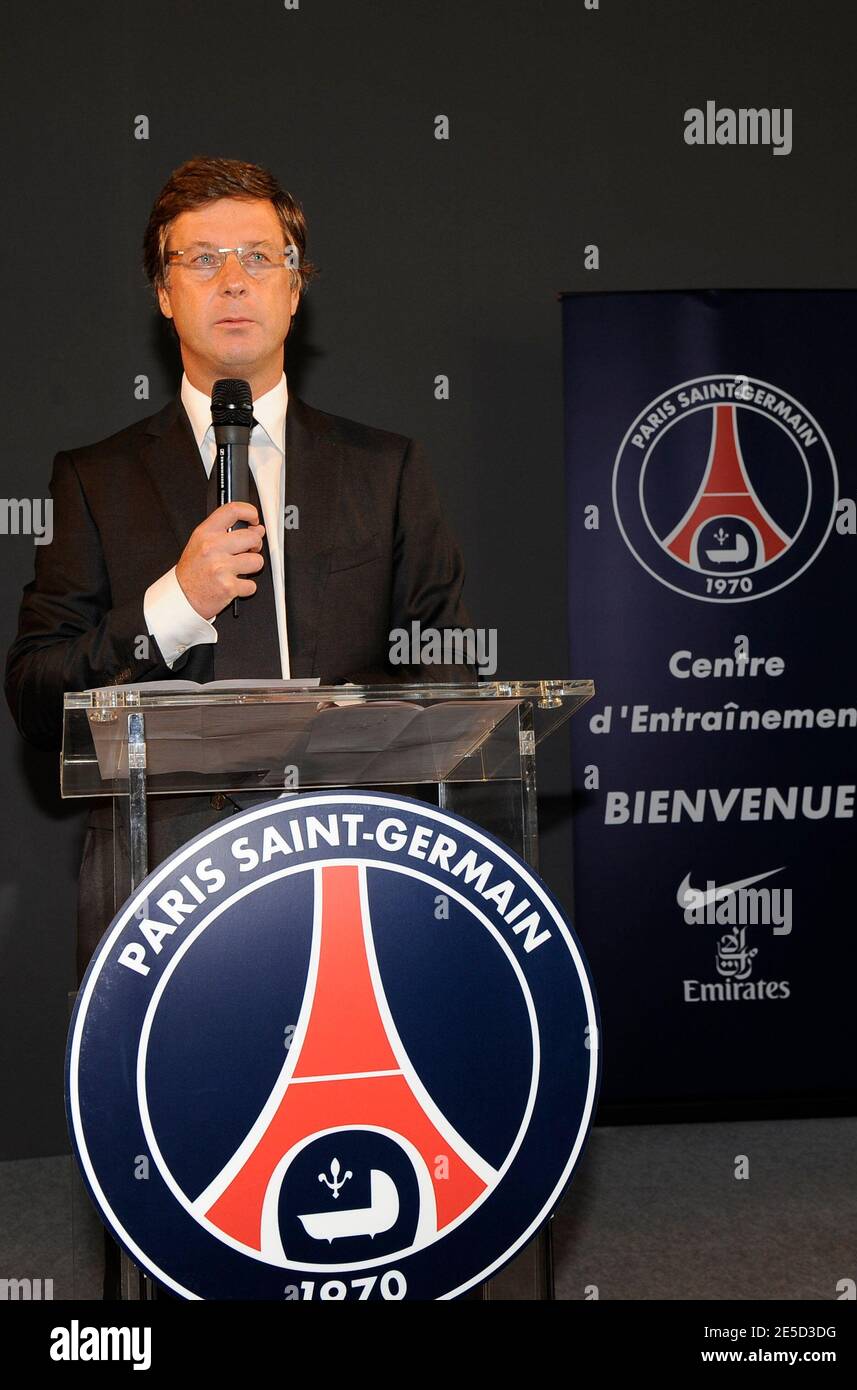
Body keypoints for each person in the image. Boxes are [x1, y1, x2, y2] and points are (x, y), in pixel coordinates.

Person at [4, 158, 475, 1294]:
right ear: (161, 293)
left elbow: (452, 671)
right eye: (199, 257)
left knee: (355, 1163)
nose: (231, 279)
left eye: (257, 255)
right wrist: (172, 604)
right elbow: (35, 686)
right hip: (164, 877)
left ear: (295, 287)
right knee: (184, 1176)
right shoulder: (95, 480)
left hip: (358, 878)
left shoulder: (386, 467)